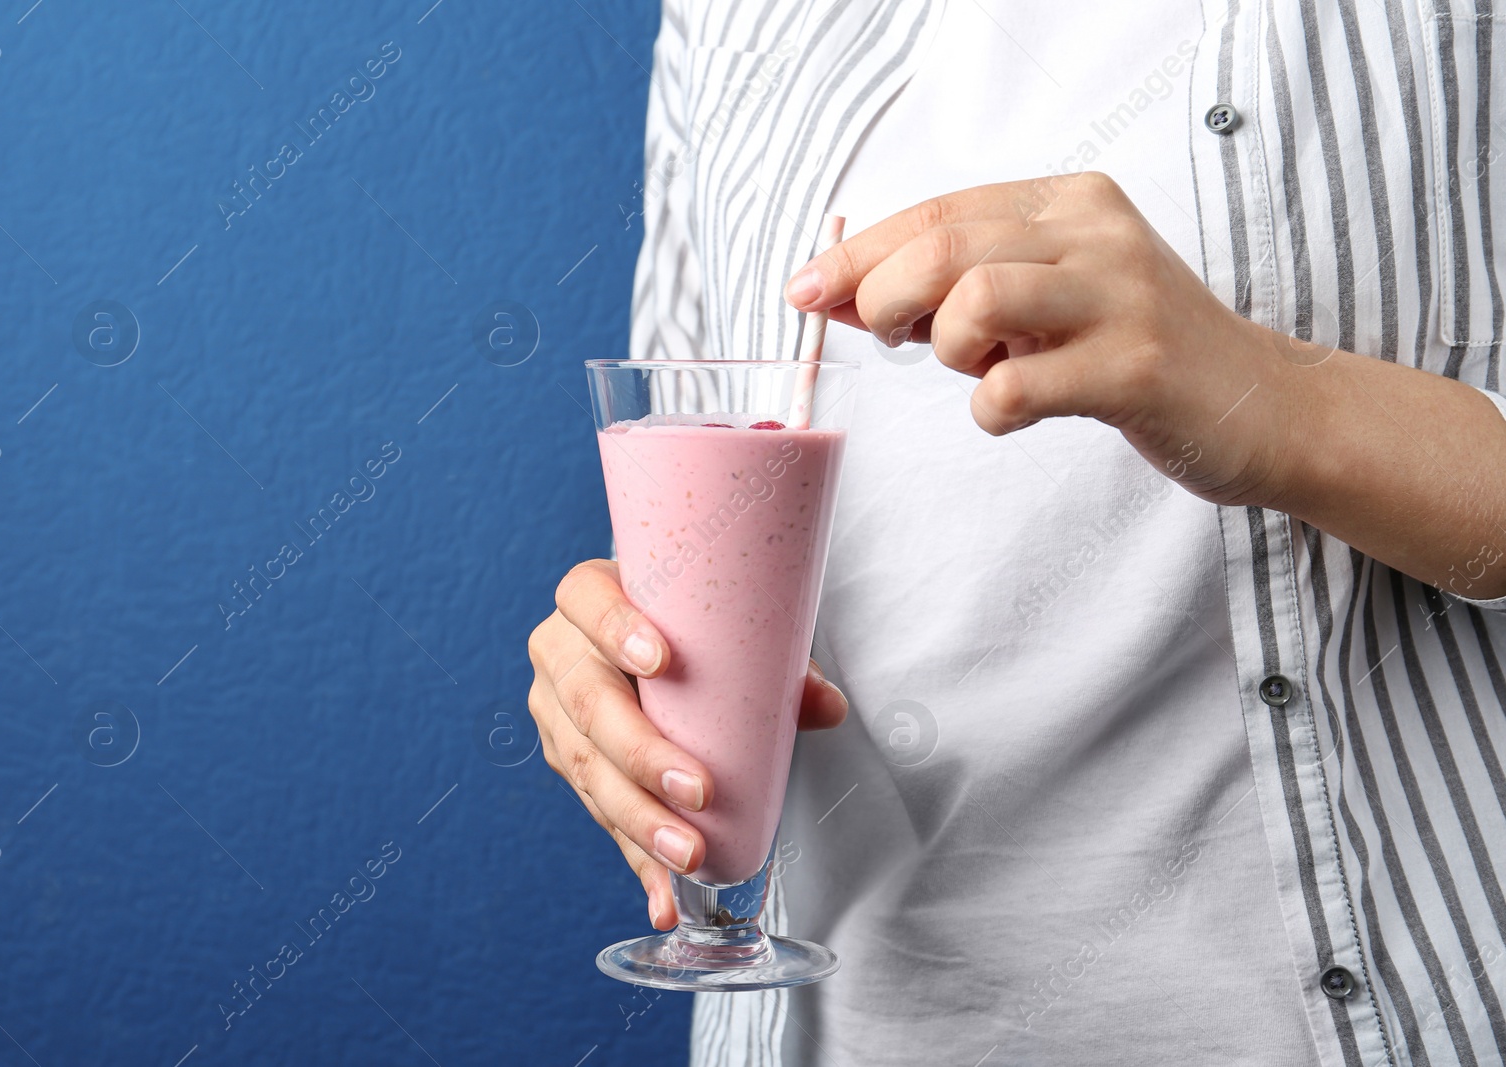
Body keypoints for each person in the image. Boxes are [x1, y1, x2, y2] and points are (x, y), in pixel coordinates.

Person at [526, 1, 1506, 1063]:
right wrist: (620, 669)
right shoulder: (728, 19)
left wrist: (1274, 398)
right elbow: (681, 480)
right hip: (825, 1026)